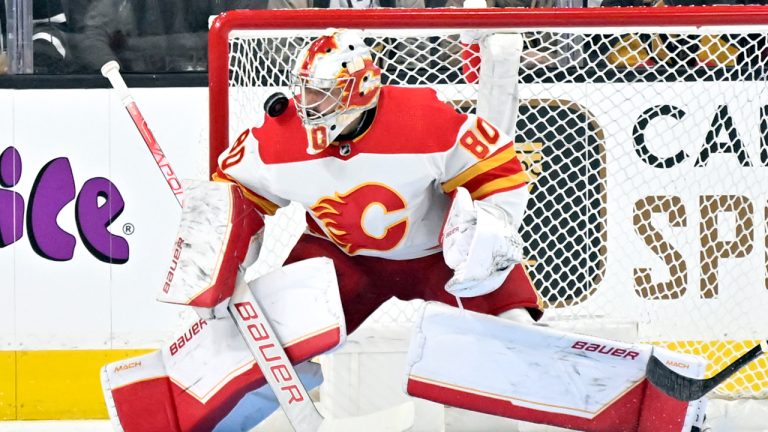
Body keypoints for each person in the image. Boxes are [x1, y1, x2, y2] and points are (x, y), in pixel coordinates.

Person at [101, 29, 708, 432]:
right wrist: (219, 250)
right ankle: (188, 419)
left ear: (365, 90)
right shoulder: (277, 138)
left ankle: (640, 408)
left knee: (514, 340)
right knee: (265, 346)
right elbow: (237, 198)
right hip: (342, 259)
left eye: (327, 98)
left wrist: (490, 233)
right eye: (307, 95)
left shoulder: (426, 119)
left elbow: (499, 170)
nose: (312, 112)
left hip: (441, 253)